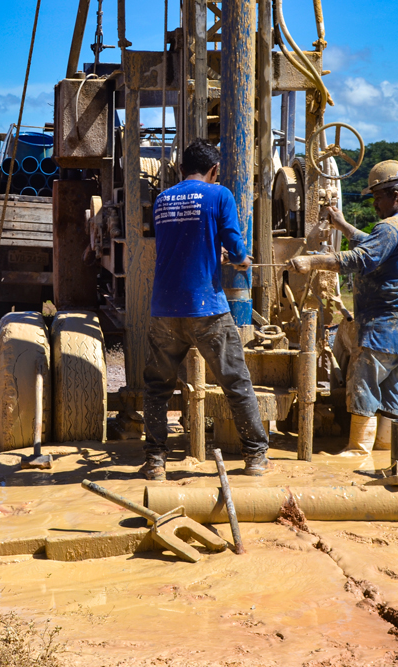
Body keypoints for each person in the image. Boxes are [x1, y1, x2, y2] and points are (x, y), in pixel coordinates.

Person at [142, 139, 270, 480]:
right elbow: (234, 242)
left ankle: (155, 461)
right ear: (214, 170)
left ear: (181, 169)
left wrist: (217, 254)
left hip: (164, 310)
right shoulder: (219, 194)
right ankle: (255, 457)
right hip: (207, 309)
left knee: (157, 387)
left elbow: (182, 242)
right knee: (236, 382)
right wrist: (241, 260)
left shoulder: (162, 200)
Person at [289, 160, 398, 453]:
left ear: (396, 196)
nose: (376, 204)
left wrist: (310, 261)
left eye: (378, 198)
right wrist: (342, 225)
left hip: (381, 324)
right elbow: (372, 245)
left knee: (363, 385)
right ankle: (385, 449)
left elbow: (359, 259)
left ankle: (357, 451)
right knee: (390, 389)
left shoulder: (389, 228)